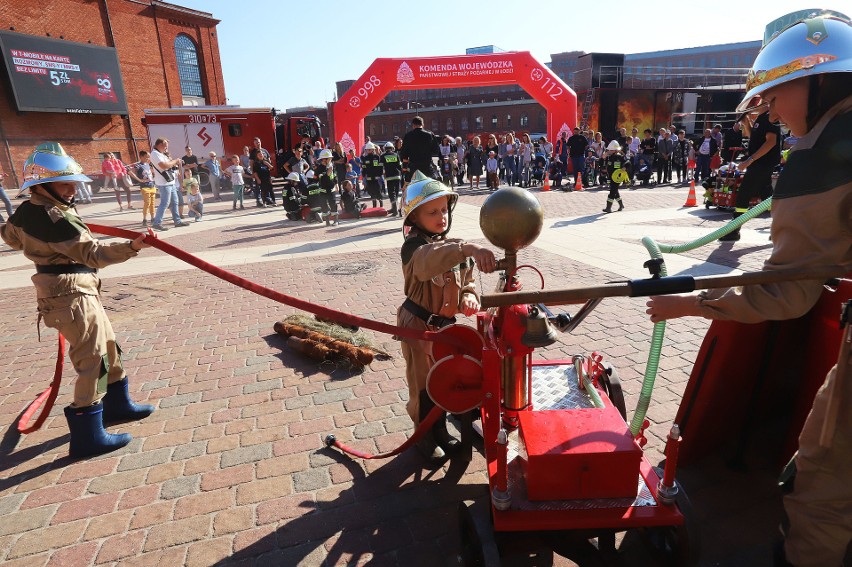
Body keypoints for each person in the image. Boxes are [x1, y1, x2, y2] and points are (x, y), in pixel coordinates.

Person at [645, 13, 851, 567]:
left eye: (778, 93)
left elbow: (787, 289)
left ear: (820, 80)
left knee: (825, 476)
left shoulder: (829, 151)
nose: (774, 112)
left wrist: (686, 303)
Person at [0, 142, 156, 458]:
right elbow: (93, 254)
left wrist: (39, 246)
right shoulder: (56, 217)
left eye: (73, 183)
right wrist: (133, 246)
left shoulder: (27, 211)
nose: (72, 190)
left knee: (109, 348)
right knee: (93, 361)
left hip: (71, 291)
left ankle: (117, 406)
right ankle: (88, 436)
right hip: (71, 294)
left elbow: (11, 236)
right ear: (43, 186)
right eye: (65, 184)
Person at [397, 172, 496, 465]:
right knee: (424, 385)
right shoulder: (413, 248)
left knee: (446, 379)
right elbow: (430, 262)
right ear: (414, 217)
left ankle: (441, 428)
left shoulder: (453, 245)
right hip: (417, 326)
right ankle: (424, 436)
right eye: (432, 212)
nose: (441, 217)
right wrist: (467, 248)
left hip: (445, 329)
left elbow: (467, 278)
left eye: (443, 210)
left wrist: (469, 294)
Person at [718, 110, 781, 242]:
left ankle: (734, 230)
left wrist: (749, 160)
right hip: (760, 163)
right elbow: (756, 137)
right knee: (767, 197)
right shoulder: (761, 117)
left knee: (744, 194)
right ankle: (780, 228)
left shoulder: (771, 116)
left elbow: (771, 142)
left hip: (762, 163)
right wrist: (747, 124)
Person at [149, 138, 190, 231]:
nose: (167, 148)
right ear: (160, 145)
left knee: (174, 202)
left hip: (170, 182)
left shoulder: (161, 154)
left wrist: (175, 163)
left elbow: (169, 165)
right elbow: (164, 166)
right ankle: (157, 223)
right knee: (165, 203)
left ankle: (177, 221)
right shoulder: (155, 154)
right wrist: (175, 161)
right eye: (165, 146)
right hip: (164, 183)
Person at [400, 116, 439, 180]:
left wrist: (404, 168)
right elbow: (436, 150)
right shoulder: (429, 135)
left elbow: (404, 154)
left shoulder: (408, 136)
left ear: (413, 125)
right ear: (422, 124)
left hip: (413, 167)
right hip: (427, 166)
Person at [127, 151, 157, 228]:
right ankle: (145, 219)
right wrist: (139, 180)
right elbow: (130, 172)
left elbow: (152, 173)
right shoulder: (138, 165)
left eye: (148, 157)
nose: (148, 158)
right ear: (141, 157)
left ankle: (153, 218)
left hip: (152, 185)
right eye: (146, 157)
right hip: (145, 187)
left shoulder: (148, 164)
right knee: (147, 203)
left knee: (152, 203)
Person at [315, 148, 338, 226]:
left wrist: (336, 184)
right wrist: (327, 174)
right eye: (329, 158)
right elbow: (321, 179)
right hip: (323, 191)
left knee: (333, 204)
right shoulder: (319, 168)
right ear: (324, 159)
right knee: (324, 206)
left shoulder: (332, 166)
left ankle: (336, 221)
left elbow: (335, 176)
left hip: (331, 190)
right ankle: (327, 221)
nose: (331, 160)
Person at [602, 140, 627, 213]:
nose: (608, 151)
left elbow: (628, 163)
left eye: (610, 150)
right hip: (610, 177)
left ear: (614, 150)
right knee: (615, 192)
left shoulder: (620, 157)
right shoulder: (609, 157)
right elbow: (603, 164)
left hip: (617, 178)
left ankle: (608, 207)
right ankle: (621, 205)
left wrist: (624, 167)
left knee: (612, 192)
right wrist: (603, 158)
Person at [251, 137, 275, 207]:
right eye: (256, 143)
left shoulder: (265, 151)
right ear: (254, 144)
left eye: (258, 142)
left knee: (267, 187)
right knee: (259, 187)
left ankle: (267, 200)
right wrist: (253, 172)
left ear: (260, 142)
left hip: (266, 172)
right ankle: (259, 200)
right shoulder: (253, 152)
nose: (258, 144)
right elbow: (251, 162)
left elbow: (269, 160)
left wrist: (269, 166)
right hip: (258, 173)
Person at [381, 142, 403, 216]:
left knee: (391, 193)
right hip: (397, 176)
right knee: (396, 193)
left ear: (385, 148)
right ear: (392, 148)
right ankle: (393, 208)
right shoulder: (396, 155)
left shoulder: (383, 156)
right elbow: (400, 166)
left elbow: (380, 166)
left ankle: (395, 210)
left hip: (389, 177)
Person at [361, 142, 384, 209]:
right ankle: (374, 206)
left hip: (376, 177)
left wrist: (380, 174)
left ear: (373, 149)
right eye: (367, 150)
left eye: (369, 149)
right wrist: (363, 174)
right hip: (369, 178)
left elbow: (380, 166)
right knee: (371, 191)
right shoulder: (365, 158)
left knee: (378, 190)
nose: (368, 151)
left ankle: (381, 204)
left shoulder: (377, 157)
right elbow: (364, 167)